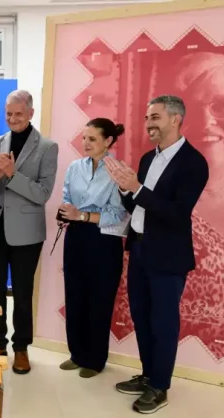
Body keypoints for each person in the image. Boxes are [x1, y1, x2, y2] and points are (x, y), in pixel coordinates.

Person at [106, 95, 208, 414]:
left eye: (155, 117)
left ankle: (160, 386)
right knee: (141, 316)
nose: (148, 123)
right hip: (139, 249)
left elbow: (177, 212)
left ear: (175, 119)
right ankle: (149, 374)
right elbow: (138, 205)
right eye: (147, 118)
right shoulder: (148, 159)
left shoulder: (194, 163)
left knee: (163, 323)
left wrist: (136, 188)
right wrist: (125, 189)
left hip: (168, 256)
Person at [0, 90, 59, 374]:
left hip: (27, 235)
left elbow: (43, 193)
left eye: (18, 114)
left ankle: (21, 347)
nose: (12, 119)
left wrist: (12, 174)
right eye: (8, 114)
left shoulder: (47, 147)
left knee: (22, 293)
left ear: (31, 113)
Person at [57, 118, 128, 378]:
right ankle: (77, 354)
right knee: (75, 295)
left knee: (99, 300)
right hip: (75, 237)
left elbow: (119, 215)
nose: (85, 143)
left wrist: (83, 215)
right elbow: (67, 198)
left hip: (104, 240)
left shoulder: (119, 171)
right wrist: (65, 213)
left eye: (92, 139)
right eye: (84, 138)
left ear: (108, 141)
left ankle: (95, 360)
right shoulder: (75, 167)